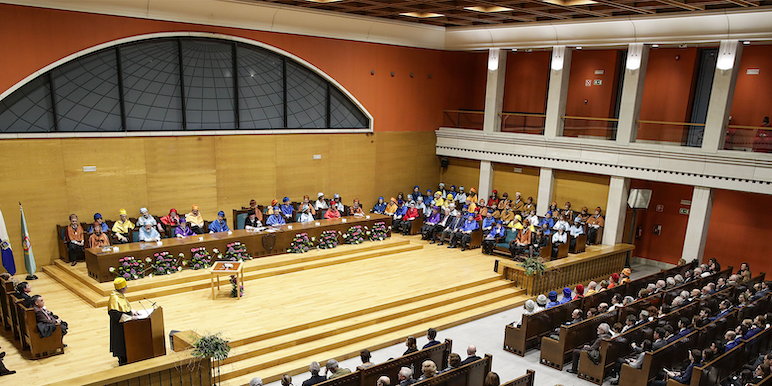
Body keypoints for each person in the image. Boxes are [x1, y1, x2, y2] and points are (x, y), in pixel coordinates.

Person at [108, 277, 139, 365]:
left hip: (125, 324)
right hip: (119, 326)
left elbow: (126, 305)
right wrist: (129, 318)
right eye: (125, 287)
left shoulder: (119, 295)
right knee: (120, 343)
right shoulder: (114, 298)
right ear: (122, 289)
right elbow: (115, 313)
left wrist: (133, 312)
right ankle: (122, 359)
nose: (127, 288)